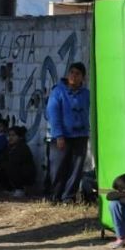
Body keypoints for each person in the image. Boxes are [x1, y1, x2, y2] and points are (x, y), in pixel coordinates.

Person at [46, 62, 90, 204]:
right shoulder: (58, 92)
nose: (73, 76)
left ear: (83, 77)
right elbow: (53, 114)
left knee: (76, 169)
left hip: (80, 135)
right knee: (58, 168)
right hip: (62, 136)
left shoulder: (86, 94)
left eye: (77, 74)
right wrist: (59, 135)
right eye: (71, 72)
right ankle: (55, 196)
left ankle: (68, 197)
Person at [0, 125, 36, 198]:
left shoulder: (23, 147)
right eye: (9, 135)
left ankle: (20, 189)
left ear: (20, 137)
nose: (10, 138)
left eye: (13, 135)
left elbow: (14, 162)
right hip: (14, 172)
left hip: (25, 176)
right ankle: (10, 189)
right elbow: (2, 159)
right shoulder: (9, 147)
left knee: (9, 166)